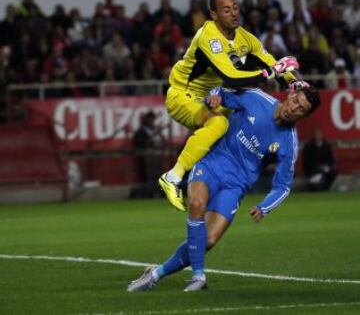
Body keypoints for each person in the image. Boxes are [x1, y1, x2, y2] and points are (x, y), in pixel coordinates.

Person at [128, 85, 321, 292]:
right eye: (295, 101)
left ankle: (156, 273)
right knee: (196, 203)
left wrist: (264, 207)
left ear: (305, 116)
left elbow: (282, 186)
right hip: (212, 163)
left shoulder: (289, 143)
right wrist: (212, 99)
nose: (294, 108)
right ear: (291, 94)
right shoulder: (256, 98)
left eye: (301, 109)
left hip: (236, 185)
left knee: (209, 240)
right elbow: (220, 93)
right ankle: (198, 276)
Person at [159, 0, 298, 211]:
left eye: (235, 8)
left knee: (236, 122)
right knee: (220, 123)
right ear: (214, 15)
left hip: (210, 98)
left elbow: (273, 62)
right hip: (182, 95)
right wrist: (269, 74)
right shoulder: (208, 36)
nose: (234, 13)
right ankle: (174, 177)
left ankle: (218, 185)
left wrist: (295, 83)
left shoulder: (245, 38)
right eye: (226, 10)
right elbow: (231, 77)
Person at [133, 111, 165, 198]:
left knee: (159, 175)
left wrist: (160, 143)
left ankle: (159, 192)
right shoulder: (141, 131)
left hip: (158, 155)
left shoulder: (156, 130)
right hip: (148, 157)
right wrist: (150, 143)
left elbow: (162, 140)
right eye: (149, 118)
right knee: (149, 176)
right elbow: (139, 143)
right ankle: (151, 193)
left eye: (152, 119)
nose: (151, 120)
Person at [302, 127, 337, 191]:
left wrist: (328, 167)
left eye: (319, 133)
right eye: (316, 134)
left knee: (332, 173)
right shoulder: (308, 147)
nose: (318, 135)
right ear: (314, 135)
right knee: (320, 176)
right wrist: (318, 167)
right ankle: (314, 182)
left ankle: (319, 183)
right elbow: (306, 162)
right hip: (313, 170)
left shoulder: (327, 146)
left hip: (326, 170)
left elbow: (331, 160)